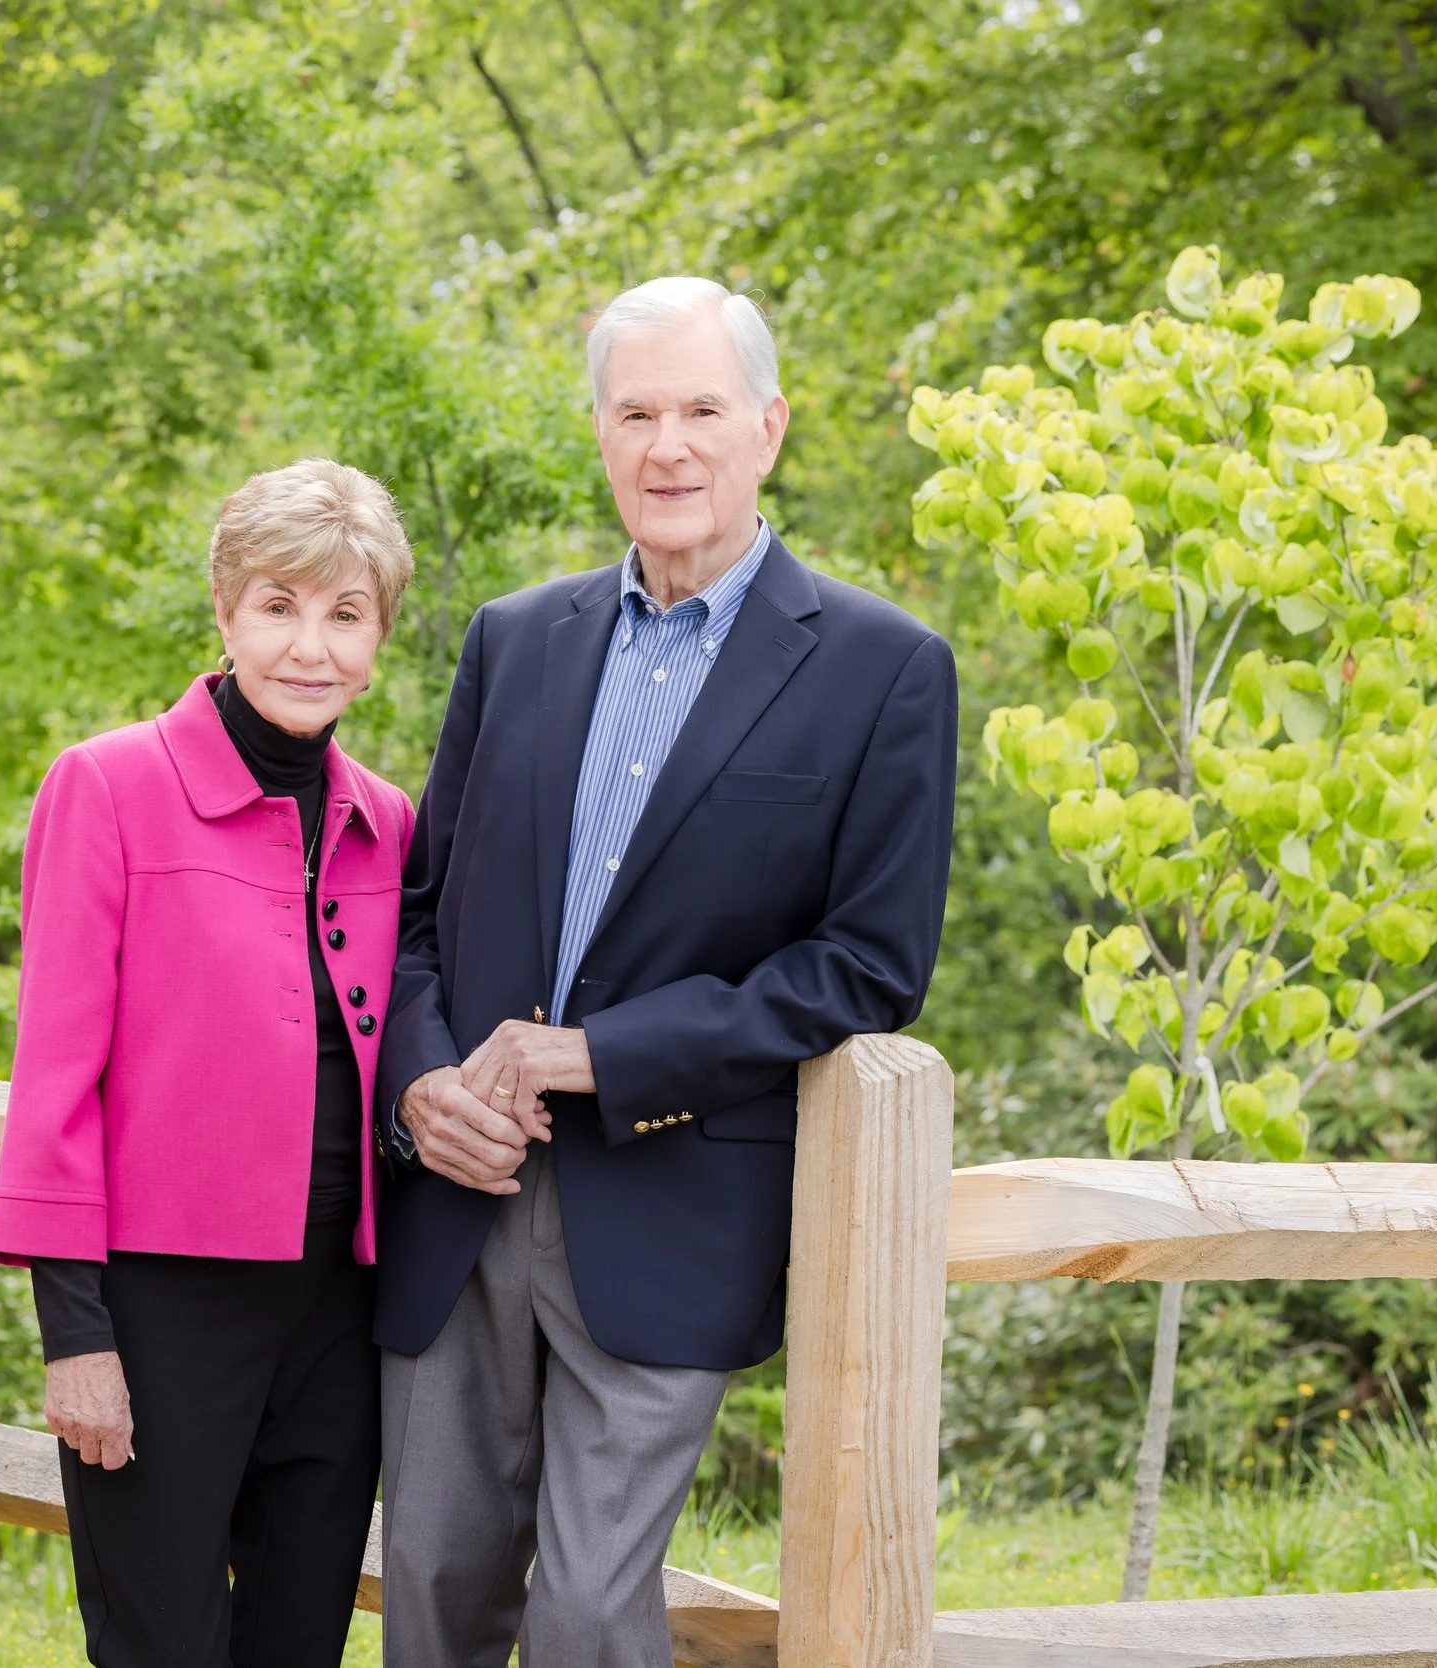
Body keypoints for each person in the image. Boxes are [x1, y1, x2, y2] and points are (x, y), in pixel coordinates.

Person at [373, 277, 958, 1666]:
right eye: (636, 412)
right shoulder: (514, 640)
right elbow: (413, 918)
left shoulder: (884, 668)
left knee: (586, 1619)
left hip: (675, 1199)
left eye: (701, 409)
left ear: (769, 428)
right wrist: (419, 1088)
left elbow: (870, 967)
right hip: (461, 1198)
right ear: (600, 432)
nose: (669, 445)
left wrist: (607, 1052)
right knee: (434, 1591)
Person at [0, 458, 416, 1668]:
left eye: (345, 614)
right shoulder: (108, 788)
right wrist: (76, 1336)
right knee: (161, 1649)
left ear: (379, 638)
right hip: (159, 1311)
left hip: (343, 1315)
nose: (310, 647)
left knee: (299, 1643)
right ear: (224, 614)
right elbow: (54, 1079)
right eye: (280, 606)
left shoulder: (395, 824)